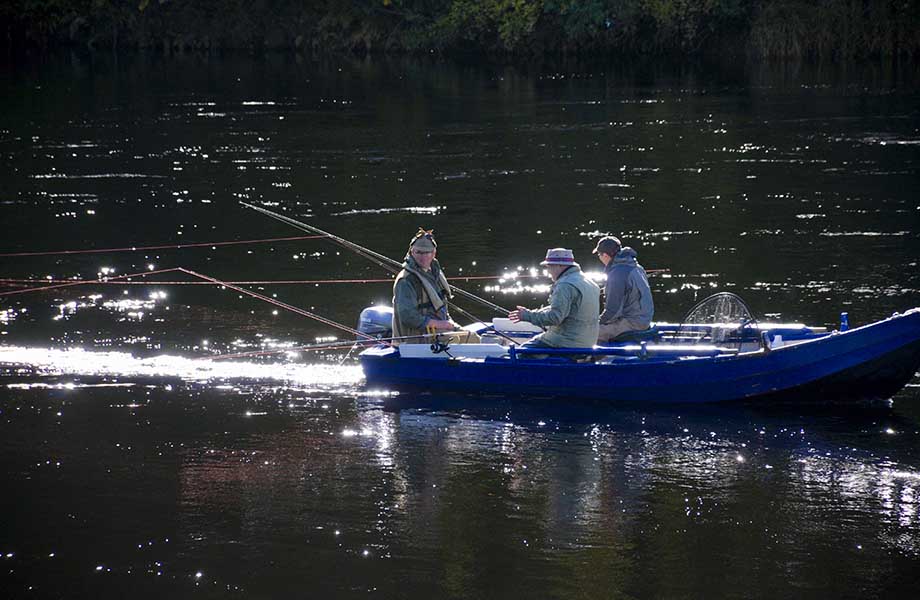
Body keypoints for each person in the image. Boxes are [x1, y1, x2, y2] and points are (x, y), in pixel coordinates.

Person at [508, 248, 600, 348]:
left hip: (566, 342)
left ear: (560, 265)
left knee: (522, 352)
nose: (548, 271)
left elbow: (555, 317)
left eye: (549, 266)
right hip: (588, 342)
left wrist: (527, 316)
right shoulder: (589, 282)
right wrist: (531, 313)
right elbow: (567, 309)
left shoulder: (564, 285)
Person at [391, 228, 459, 343]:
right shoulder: (405, 281)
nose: (422, 257)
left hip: (437, 330)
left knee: (475, 337)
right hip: (414, 338)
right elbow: (408, 317)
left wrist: (450, 324)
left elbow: (441, 307)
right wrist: (441, 324)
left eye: (426, 252)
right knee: (459, 340)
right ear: (412, 252)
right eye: (418, 252)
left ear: (433, 253)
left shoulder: (434, 273)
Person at [593, 236, 654, 343]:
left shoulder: (617, 273)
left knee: (587, 333)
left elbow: (613, 311)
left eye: (599, 255)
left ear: (605, 255)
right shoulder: (637, 267)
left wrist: (596, 322)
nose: (599, 258)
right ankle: (595, 358)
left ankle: (587, 359)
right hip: (644, 320)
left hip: (632, 323)